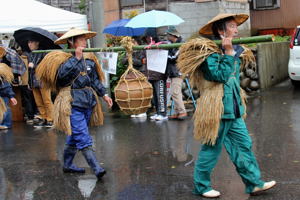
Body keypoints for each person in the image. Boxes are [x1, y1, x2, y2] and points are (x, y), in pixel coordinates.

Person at [177, 13, 276, 198]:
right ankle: (202, 187)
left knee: (243, 146)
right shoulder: (207, 53)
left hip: (234, 109)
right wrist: (229, 53)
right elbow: (219, 76)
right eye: (232, 26)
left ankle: (254, 183)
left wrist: (231, 52)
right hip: (216, 110)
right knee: (211, 149)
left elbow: (232, 80)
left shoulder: (234, 50)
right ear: (221, 30)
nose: (237, 30)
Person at [51, 28, 112, 180]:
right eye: (82, 39)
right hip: (72, 103)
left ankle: (67, 165)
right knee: (82, 136)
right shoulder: (63, 60)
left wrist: (104, 94)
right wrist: (75, 59)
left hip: (88, 102)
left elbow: (94, 81)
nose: (85, 42)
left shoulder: (90, 60)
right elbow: (61, 78)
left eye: (86, 39)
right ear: (72, 42)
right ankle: (96, 167)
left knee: (74, 137)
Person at [25, 39, 54, 127]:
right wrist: (29, 82)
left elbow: (46, 67)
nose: (29, 44)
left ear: (37, 42)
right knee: (38, 101)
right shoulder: (30, 54)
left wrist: (35, 66)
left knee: (47, 100)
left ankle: (51, 119)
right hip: (34, 81)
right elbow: (29, 71)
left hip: (43, 80)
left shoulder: (43, 52)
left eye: (31, 42)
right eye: (28, 42)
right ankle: (44, 117)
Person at [143, 28, 168, 121]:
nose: (147, 39)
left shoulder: (162, 44)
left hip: (159, 75)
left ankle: (163, 113)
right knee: (155, 96)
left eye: (148, 37)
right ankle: (158, 112)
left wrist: (158, 46)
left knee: (160, 94)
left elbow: (166, 46)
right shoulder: (148, 46)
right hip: (151, 74)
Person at [165, 26, 187, 120]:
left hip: (179, 71)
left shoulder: (181, 45)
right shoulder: (172, 44)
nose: (167, 37)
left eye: (168, 35)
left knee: (175, 92)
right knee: (174, 92)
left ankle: (182, 112)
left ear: (173, 35)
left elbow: (173, 57)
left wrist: (164, 53)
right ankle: (177, 112)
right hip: (173, 72)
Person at [0, 62, 17, 130]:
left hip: (4, 95)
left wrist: (11, 96)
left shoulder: (3, 76)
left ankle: (7, 124)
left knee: (5, 109)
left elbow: (7, 87)